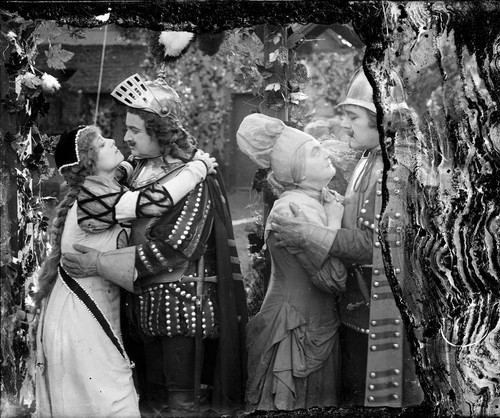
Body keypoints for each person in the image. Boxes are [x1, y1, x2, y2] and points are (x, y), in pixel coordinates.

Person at [62, 74, 248, 417]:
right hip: (140, 306)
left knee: (181, 405)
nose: (126, 136)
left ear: (160, 132)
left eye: (135, 130)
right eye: (126, 128)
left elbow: (175, 247)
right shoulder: (137, 170)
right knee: (148, 401)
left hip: (180, 308)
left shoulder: (191, 178)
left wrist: (100, 263)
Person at [271, 67, 425, 407]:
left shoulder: (395, 172)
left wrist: (310, 234)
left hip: (384, 319)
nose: (345, 125)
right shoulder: (369, 159)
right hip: (359, 312)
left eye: (353, 117)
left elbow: (380, 247)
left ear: (381, 118)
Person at [35, 125, 213, 417]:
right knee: (112, 400)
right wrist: (198, 168)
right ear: (89, 163)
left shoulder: (101, 188)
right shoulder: (93, 202)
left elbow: (127, 168)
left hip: (95, 308)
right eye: (103, 144)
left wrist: (142, 156)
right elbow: (157, 201)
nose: (113, 141)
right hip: (82, 313)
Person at [237, 113, 347, 411]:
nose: (325, 153)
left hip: (314, 326)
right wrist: (335, 222)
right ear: (296, 170)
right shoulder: (294, 209)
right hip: (293, 333)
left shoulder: (314, 199)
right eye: (314, 151)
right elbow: (333, 279)